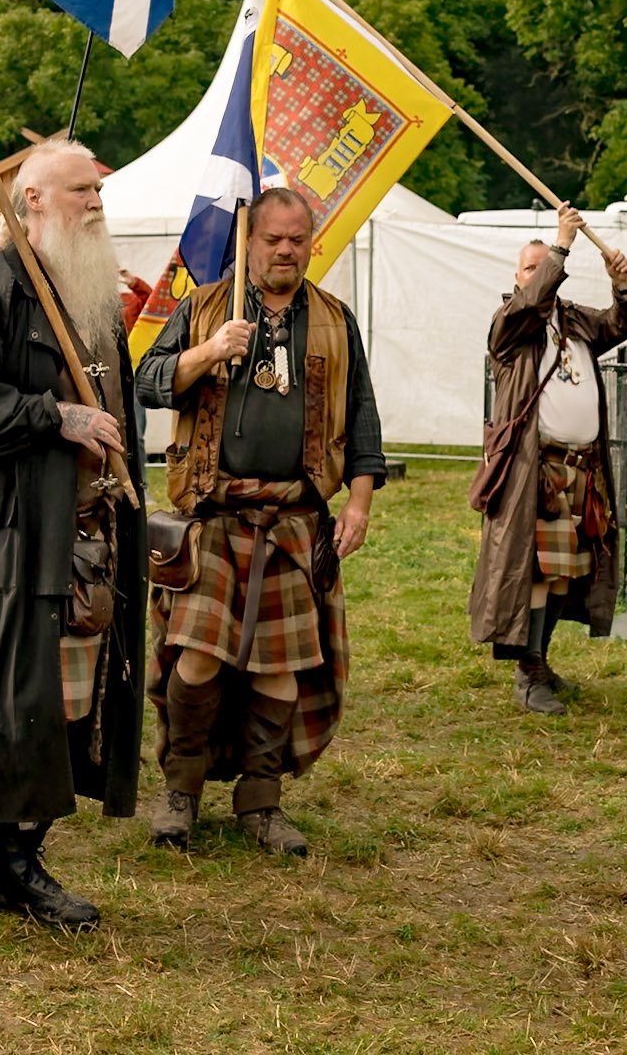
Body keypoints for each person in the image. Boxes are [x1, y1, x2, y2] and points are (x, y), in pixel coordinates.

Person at [0, 139, 146, 930]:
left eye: (98, 190)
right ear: (32, 200)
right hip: (4, 536)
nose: (96, 202)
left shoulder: (86, 290)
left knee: (58, 708)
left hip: (80, 534)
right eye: (81, 190)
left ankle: (18, 858)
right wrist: (52, 415)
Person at [136, 186, 385, 855]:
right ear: (249, 243)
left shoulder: (333, 318)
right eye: (272, 238)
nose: (285, 250)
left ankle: (261, 803)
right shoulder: (205, 307)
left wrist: (359, 501)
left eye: (297, 240)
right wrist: (208, 351)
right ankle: (180, 793)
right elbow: (148, 381)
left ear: (311, 243)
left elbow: (362, 413)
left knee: (282, 666)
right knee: (195, 660)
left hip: (295, 520)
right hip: (214, 515)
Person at [468, 203, 627, 714]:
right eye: (531, 266)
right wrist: (562, 245)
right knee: (538, 573)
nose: (539, 272)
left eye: (545, 266)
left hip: (581, 468)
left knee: (563, 573)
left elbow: (620, 325)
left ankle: (539, 661)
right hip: (536, 470)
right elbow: (528, 305)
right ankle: (528, 674)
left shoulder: (572, 320)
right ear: (518, 277)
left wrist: (621, 285)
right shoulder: (510, 325)